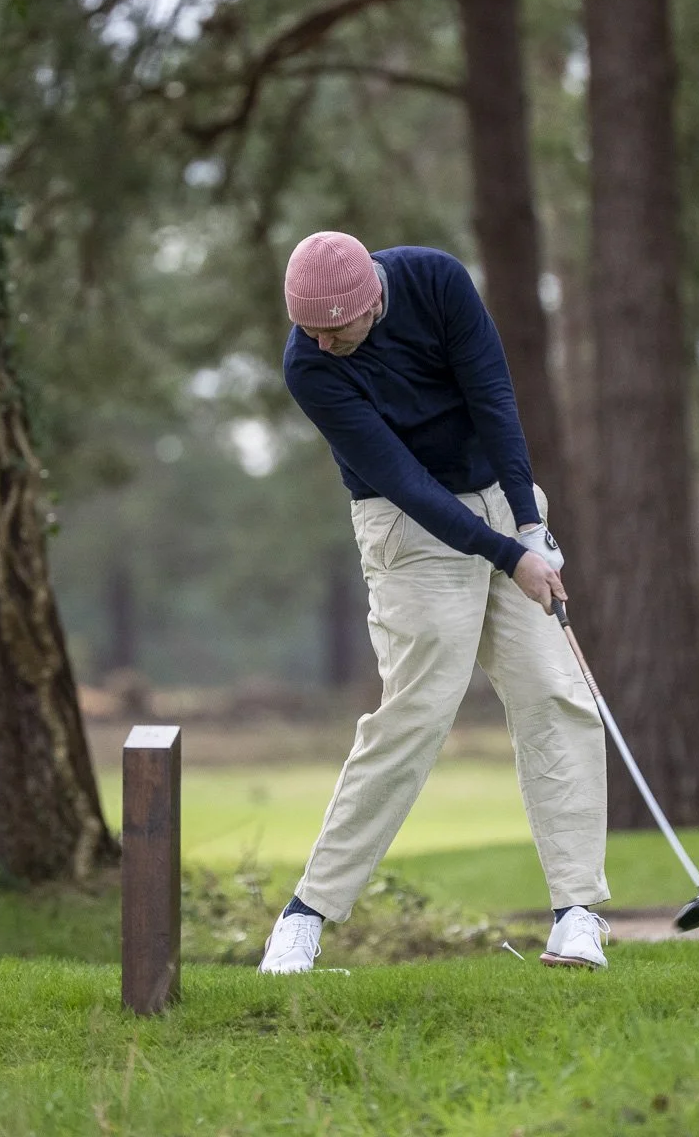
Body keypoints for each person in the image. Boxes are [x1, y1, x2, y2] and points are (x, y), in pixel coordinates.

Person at [258, 230, 611, 974]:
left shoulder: (435, 283)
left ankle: (577, 916)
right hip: (405, 525)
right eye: (309, 329)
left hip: (502, 504)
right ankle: (305, 916)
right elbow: (406, 484)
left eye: (334, 328)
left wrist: (530, 524)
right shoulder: (309, 365)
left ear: (371, 301)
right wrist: (508, 555)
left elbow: (493, 399)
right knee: (418, 710)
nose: (322, 341)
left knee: (555, 693)